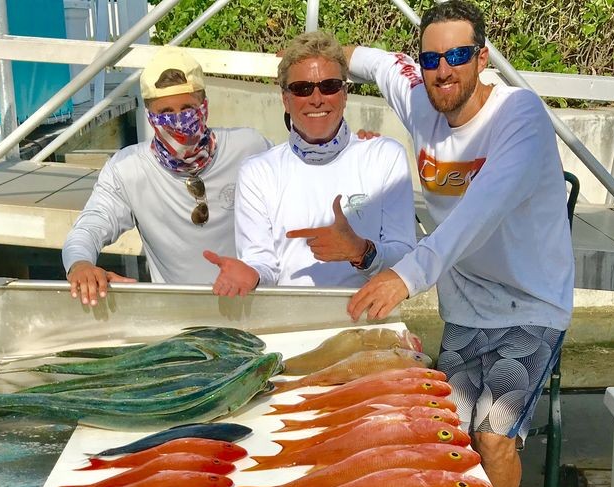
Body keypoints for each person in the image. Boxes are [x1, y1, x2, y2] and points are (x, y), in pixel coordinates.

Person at [344, 0, 575, 487]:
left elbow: (480, 211)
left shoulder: (520, 114)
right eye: (431, 59)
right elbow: (381, 65)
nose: (443, 69)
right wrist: (326, 59)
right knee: (445, 429)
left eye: (458, 55)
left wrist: (405, 276)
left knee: (492, 438)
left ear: (482, 57)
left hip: (531, 303)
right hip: (468, 305)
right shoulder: (424, 103)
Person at [205, 30, 416, 295]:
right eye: (302, 89)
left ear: (344, 93)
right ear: (285, 99)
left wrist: (361, 252)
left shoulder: (385, 156)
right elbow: (263, 264)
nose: (317, 98)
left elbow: (406, 255)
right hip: (292, 324)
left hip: (369, 321)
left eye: (329, 86)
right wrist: (252, 273)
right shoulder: (257, 171)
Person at [62, 48, 271, 305]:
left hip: (254, 303)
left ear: (204, 106)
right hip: (179, 317)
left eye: (187, 108)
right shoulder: (127, 169)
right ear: (150, 116)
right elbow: (90, 226)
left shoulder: (250, 148)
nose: (178, 122)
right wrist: (80, 265)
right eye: (166, 112)